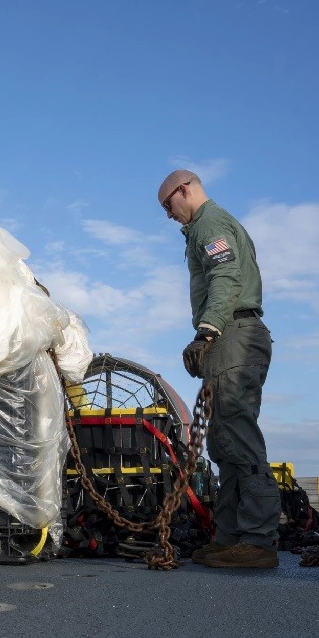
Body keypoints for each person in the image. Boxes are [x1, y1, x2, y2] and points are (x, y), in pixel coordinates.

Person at [158, 169, 280, 569]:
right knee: (223, 441)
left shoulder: (209, 222)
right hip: (232, 335)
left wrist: (207, 332)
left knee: (237, 436)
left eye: (168, 205)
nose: (169, 215)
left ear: (185, 190)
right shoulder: (207, 226)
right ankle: (230, 536)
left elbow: (225, 275)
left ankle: (258, 540)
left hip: (234, 334)